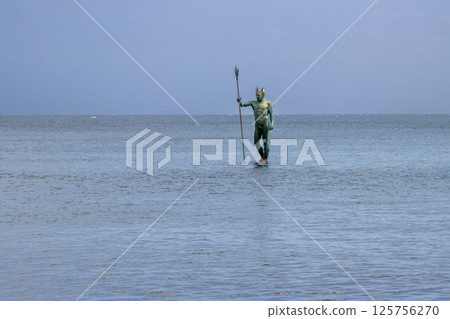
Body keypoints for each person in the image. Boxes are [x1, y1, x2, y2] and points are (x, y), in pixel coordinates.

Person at [237, 87, 274, 164]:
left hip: (265, 124)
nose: (257, 96)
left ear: (263, 95)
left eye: (258, 95)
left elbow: (271, 114)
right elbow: (242, 105)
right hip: (257, 125)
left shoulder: (267, 103)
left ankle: (265, 159)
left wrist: (272, 123)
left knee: (265, 142)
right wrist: (239, 101)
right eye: (256, 95)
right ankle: (262, 157)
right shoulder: (253, 103)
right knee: (256, 142)